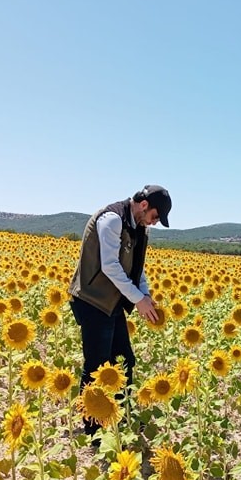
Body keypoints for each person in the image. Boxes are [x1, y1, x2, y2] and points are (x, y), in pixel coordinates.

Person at [69, 184, 171, 437]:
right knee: (97, 365)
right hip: (92, 300)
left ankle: (122, 417)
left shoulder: (138, 227)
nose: (155, 223)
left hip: (112, 303)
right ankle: (94, 429)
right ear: (144, 205)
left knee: (124, 360)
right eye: (155, 217)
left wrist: (145, 294)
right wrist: (137, 299)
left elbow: (137, 268)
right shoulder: (112, 219)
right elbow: (110, 265)